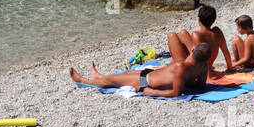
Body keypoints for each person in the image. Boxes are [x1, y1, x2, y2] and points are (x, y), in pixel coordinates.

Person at [70, 33, 212, 97]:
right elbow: (200, 86)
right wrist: (184, 82)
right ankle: (98, 76)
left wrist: (154, 92)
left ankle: (83, 81)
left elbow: (176, 93)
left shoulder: (181, 67)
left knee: (113, 81)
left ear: (192, 50)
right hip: (147, 76)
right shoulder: (203, 67)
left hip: (146, 83)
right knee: (123, 75)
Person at [170, 4, 232, 79]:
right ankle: (170, 65)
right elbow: (226, 52)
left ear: (199, 19)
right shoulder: (218, 32)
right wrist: (230, 68)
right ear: (214, 19)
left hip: (197, 71)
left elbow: (202, 59)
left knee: (172, 35)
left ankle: (170, 67)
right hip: (203, 67)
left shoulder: (197, 35)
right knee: (183, 33)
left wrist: (208, 77)